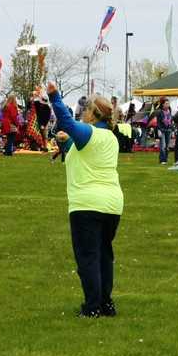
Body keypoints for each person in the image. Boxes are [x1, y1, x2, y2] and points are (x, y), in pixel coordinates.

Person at [46, 82, 124, 318]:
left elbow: (67, 123)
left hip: (87, 203)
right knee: (104, 255)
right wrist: (64, 142)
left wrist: (54, 97)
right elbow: (79, 145)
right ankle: (106, 303)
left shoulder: (89, 133)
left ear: (92, 114)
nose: (82, 114)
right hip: (112, 204)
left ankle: (92, 307)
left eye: (85, 111)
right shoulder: (109, 137)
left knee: (88, 258)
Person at [152, 100, 174, 164]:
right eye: (166, 103)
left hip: (169, 130)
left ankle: (165, 158)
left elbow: (171, 121)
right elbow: (158, 122)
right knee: (163, 146)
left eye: (168, 103)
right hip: (162, 130)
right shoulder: (159, 112)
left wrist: (172, 130)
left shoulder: (169, 112)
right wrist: (158, 130)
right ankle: (162, 160)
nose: (167, 105)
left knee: (167, 146)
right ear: (163, 105)